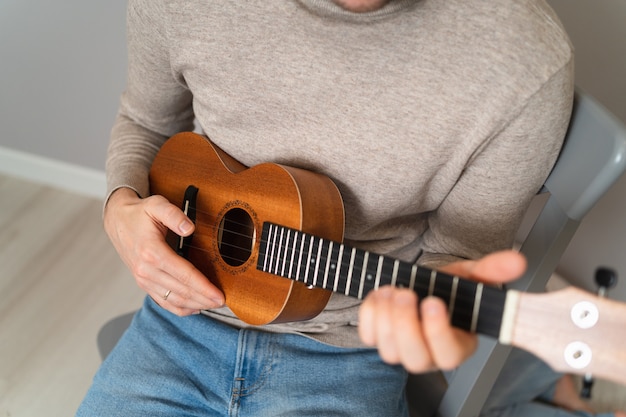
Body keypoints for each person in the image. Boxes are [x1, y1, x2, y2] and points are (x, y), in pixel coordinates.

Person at [76, 0, 623, 416]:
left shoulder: (522, 57)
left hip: (347, 356)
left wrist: (435, 333)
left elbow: (458, 256)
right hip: (176, 327)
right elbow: (147, 122)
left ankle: (541, 380)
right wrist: (119, 209)